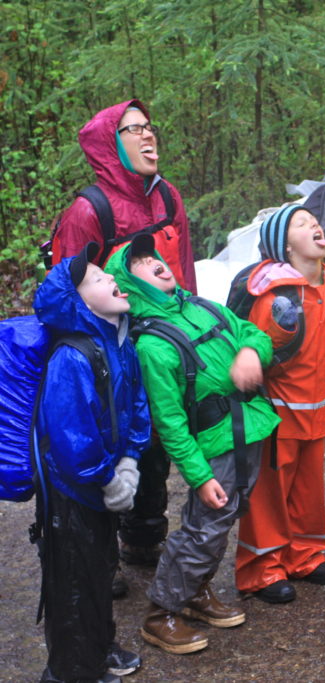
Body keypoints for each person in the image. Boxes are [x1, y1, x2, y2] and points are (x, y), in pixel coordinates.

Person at [106, 234, 280, 655]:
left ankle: (197, 592)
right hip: (213, 446)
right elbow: (169, 426)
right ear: (130, 286)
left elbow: (253, 333)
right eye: (142, 263)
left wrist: (252, 354)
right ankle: (160, 612)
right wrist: (200, 477)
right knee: (204, 528)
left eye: (155, 256)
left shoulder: (203, 307)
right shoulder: (151, 346)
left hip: (249, 430)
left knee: (222, 521)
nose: (157, 262)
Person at [52, 100, 198, 573]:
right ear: (111, 144)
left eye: (149, 126)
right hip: (109, 352)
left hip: (162, 344)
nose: (148, 135)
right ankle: (100, 556)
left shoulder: (167, 197)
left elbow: (184, 272)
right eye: (134, 129)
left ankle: (143, 539)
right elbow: (67, 290)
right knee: (112, 441)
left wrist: (191, 329)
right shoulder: (87, 210)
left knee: (155, 445)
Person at [33, 242, 150, 682]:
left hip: (104, 483)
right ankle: (72, 670)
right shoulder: (71, 357)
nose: (112, 278)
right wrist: (106, 478)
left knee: (101, 567)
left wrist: (131, 460)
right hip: (72, 493)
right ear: (78, 303)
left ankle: (98, 648)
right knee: (73, 580)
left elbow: (138, 405)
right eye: (97, 279)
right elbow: (71, 438)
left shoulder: (121, 343)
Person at [234, 205, 325, 604]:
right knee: (269, 494)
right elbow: (254, 344)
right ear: (284, 246)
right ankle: (261, 568)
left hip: (317, 411)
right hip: (277, 414)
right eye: (301, 223)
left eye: (315, 220)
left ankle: (304, 555)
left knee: (308, 490)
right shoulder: (274, 295)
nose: (315, 224)